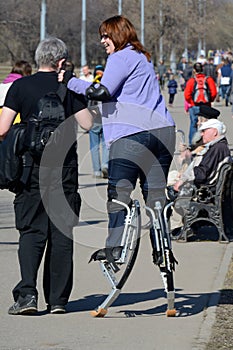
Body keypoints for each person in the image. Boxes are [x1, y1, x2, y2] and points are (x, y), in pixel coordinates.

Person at [59, 15, 175, 259]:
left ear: (118, 35)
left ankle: (115, 247)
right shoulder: (142, 58)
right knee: (155, 195)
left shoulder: (120, 57)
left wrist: (70, 81)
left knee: (119, 193)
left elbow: (101, 91)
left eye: (106, 35)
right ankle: (162, 249)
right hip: (163, 132)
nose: (102, 41)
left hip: (132, 135)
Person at [0, 37, 93, 315]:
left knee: (31, 231)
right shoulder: (69, 88)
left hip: (30, 170)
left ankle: (27, 295)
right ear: (61, 61)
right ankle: (58, 300)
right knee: (61, 234)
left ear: (39, 58)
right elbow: (88, 124)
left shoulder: (20, 86)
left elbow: (3, 128)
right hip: (64, 171)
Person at [170, 118, 230, 239]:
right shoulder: (219, 146)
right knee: (171, 177)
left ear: (214, 132)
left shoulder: (217, 148)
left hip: (204, 190)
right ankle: (178, 224)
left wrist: (182, 181)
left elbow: (201, 173)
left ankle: (177, 227)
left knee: (170, 188)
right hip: (210, 187)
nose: (201, 133)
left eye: (204, 130)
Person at [184, 62, 217, 147]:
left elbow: (186, 94)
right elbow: (214, 92)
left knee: (193, 125)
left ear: (194, 70)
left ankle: (193, 144)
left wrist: (191, 102)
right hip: (206, 106)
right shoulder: (208, 79)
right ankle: (207, 142)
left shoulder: (192, 80)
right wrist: (210, 101)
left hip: (194, 106)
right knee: (207, 124)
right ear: (203, 69)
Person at [88, 64, 109, 178]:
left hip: (94, 117)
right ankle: (105, 164)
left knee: (94, 146)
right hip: (106, 118)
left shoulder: (92, 86)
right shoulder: (107, 86)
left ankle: (97, 170)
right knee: (106, 144)